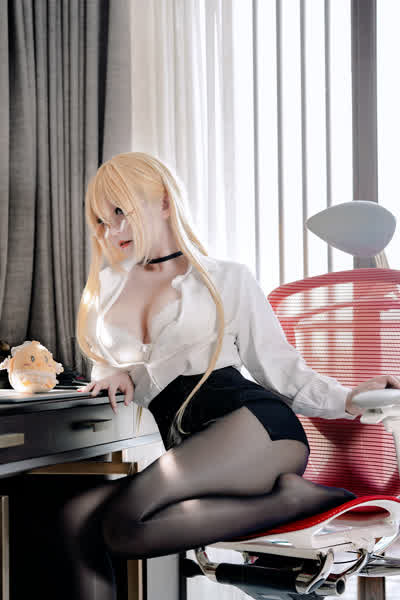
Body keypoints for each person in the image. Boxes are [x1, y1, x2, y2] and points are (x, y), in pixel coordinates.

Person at [58, 151, 400, 600]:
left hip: (256, 430)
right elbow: (107, 364)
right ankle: (287, 499)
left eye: (121, 212)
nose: (112, 230)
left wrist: (350, 398)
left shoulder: (226, 278)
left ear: (164, 202)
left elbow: (280, 368)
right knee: (74, 516)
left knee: (125, 527)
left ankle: (296, 498)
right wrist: (115, 372)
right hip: (193, 447)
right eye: (101, 222)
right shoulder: (106, 288)